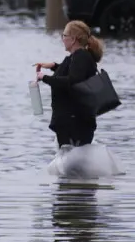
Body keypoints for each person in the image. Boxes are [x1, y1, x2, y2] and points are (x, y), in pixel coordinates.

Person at [35, 20, 104, 148]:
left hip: (74, 121)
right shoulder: (77, 57)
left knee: (72, 151)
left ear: (73, 39)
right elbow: (73, 72)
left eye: (64, 36)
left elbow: (73, 81)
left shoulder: (81, 56)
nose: (62, 39)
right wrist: (54, 66)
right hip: (71, 120)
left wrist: (44, 78)